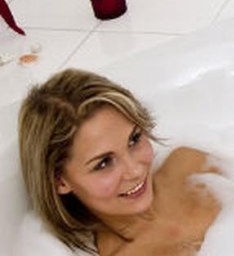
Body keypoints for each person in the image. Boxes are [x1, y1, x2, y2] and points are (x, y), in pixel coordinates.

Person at [18, 68, 221, 255]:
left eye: (134, 140)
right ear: (60, 181)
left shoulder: (193, 165)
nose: (134, 170)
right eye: (104, 163)